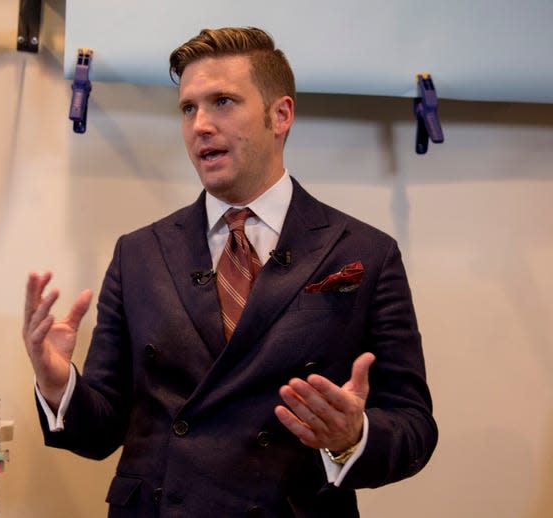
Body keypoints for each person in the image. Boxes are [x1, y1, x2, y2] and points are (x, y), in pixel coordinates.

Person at [23, 27, 437, 517]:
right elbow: (101, 432)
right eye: (188, 108)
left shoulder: (367, 252)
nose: (200, 124)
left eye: (222, 102)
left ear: (280, 115)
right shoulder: (139, 253)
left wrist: (352, 437)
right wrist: (57, 386)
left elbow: (414, 427)